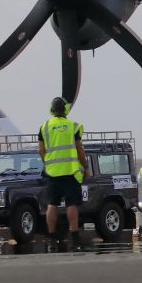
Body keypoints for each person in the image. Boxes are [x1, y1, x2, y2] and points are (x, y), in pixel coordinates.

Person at [38, 97, 87, 248]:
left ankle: (52, 238)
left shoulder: (44, 126)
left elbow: (41, 150)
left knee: (52, 204)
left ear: (51, 110)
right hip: (70, 171)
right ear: (65, 109)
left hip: (52, 173)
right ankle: (74, 236)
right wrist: (85, 167)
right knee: (71, 204)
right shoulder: (72, 126)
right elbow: (79, 149)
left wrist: (48, 163)